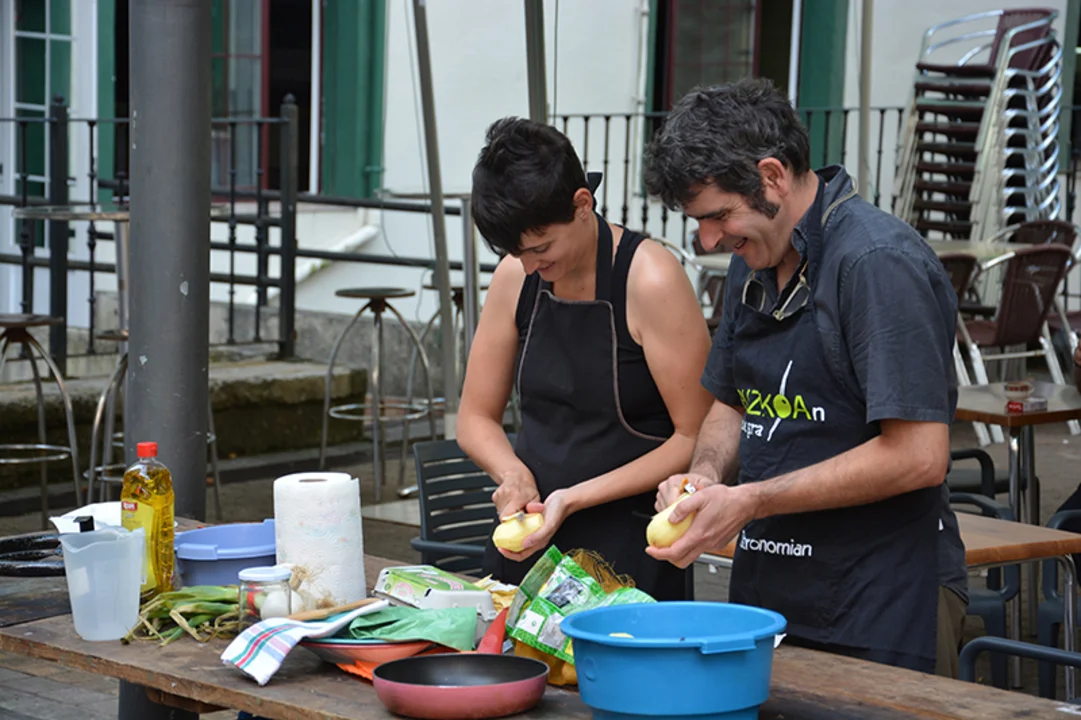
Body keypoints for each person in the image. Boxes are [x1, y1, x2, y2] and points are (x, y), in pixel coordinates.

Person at [641, 79, 968, 674]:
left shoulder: (876, 263)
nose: (710, 240)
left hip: (881, 594)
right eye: (699, 223)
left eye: (718, 216)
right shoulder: (752, 261)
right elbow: (733, 402)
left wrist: (752, 500)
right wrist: (704, 477)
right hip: (771, 588)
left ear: (771, 176)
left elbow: (919, 455)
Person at [455, 118, 713, 600]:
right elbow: (474, 418)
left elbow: (695, 435)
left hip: (632, 548)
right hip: (530, 540)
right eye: (516, 252)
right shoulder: (516, 275)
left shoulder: (650, 279)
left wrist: (572, 500)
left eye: (541, 248)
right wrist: (512, 473)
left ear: (582, 204)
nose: (531, 266)